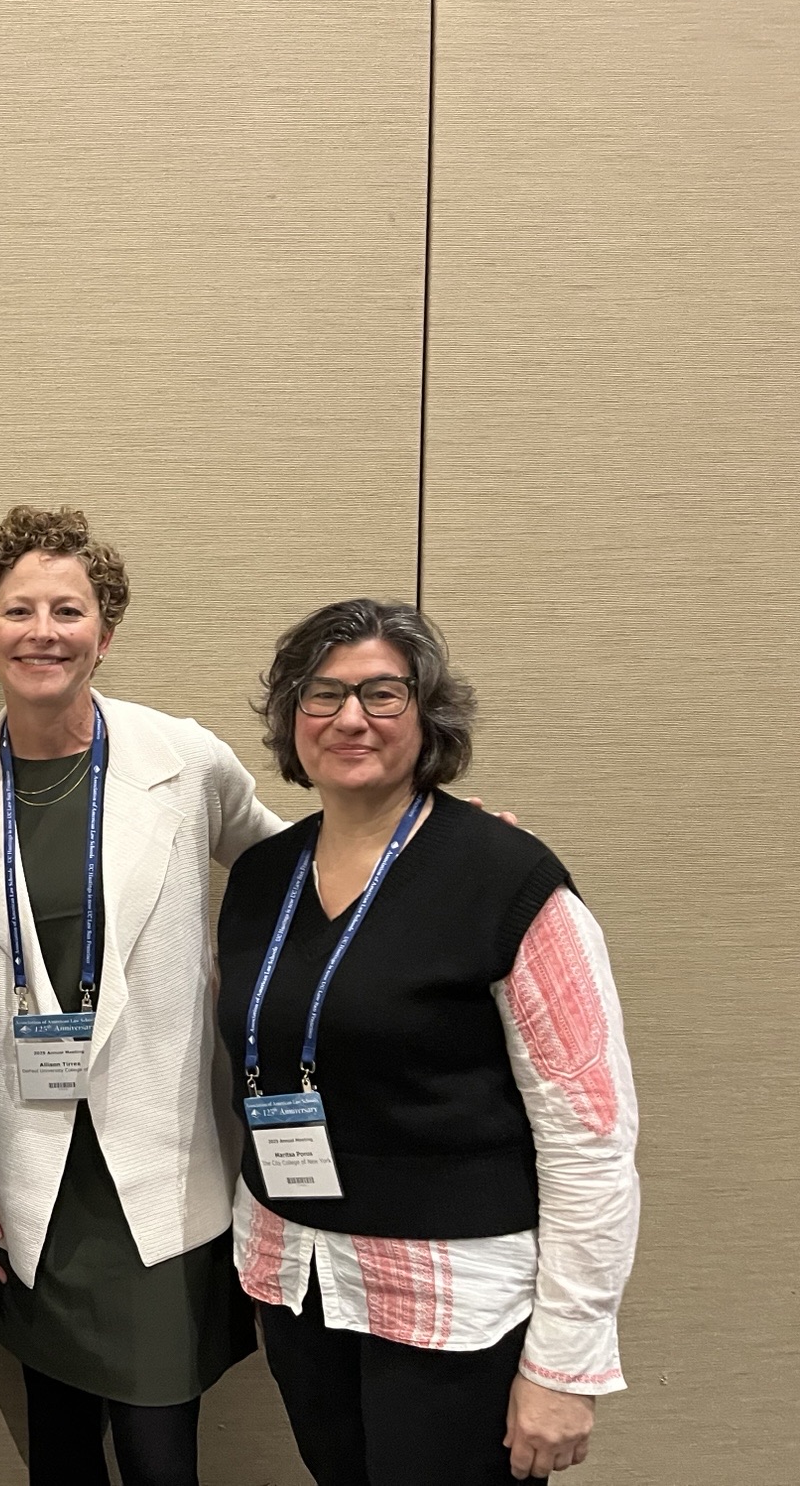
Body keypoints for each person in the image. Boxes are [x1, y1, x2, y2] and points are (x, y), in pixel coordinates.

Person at [216, 598, 638, 1485]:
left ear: (428, 713)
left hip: (456, 1309)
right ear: (292, 720)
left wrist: (564, 1366)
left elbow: (589, 1137)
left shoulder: (507, 878)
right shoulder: (262, 878)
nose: (351, 718)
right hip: (301, 1281)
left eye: (383, 693)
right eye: (322, 695)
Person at [0, 507, 283, 1486]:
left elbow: (294, 870)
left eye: (68, 609)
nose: (43, 630)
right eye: (17, 610)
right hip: (26, 1173)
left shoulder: (181, 760)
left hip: (157, 1163)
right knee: (61, 1451)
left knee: (162, 1455)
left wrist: (418, 854)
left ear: (104, 632)